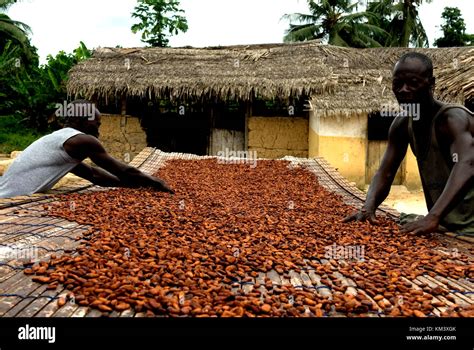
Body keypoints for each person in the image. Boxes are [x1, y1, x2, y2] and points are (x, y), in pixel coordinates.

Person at [344, 52, 474, 236]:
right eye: (398, 84)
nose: (403, 89)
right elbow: (386, 172)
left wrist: (433, 217)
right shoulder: (402, 124)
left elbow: (467, 164)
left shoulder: (452, 119)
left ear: (431, 83)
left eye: (413, 83)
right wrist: (369, 206)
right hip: (445, 223)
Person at [0, 100, 174, 198]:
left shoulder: (60, 139)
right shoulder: (81, 140)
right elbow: (123, 169)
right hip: (11, 201)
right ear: (80, 121)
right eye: (96, 123)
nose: (98, 129)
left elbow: (93, 174)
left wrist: (130, 185)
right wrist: (155, 182)